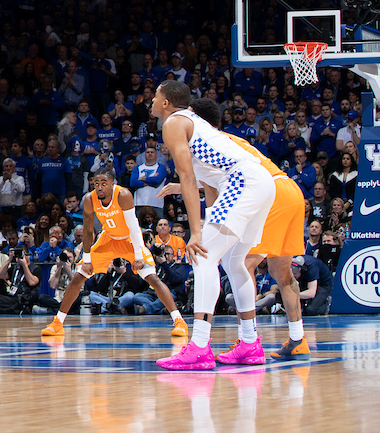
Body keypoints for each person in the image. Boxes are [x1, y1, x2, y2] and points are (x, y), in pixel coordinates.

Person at [152, 79, 276, 370]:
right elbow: (208, 185)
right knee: (234, 263)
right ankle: (250, 344)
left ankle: (199, 347)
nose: (152, 102)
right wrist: (182, 190)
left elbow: (189, 178)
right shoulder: (197, 124)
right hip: (259, 183)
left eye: (155, 97)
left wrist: (196, 233)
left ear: (166, 102)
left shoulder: (172, 123)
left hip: (243, 181)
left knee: (202, 257)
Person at [175, 97, 311, 361]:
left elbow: (215, 190)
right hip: (289, 191)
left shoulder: (205, 142)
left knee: (239, 263)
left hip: (268, 195)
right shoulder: (227, 140)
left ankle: (247, 340)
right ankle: (298, 339)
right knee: (281, 272)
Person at [41, 166, 187, 338]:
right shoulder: (89, 199)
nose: (100, 187)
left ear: (112, 184)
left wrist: (139, 256)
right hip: (108, 239)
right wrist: (86, 259)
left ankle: (179, 322)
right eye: (96, 183)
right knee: (79, 276)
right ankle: (58, 323)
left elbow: (133, 227)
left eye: (104, 183)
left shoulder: (123, 195)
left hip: (129, 239)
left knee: (152, 277)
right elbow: (88, 231)